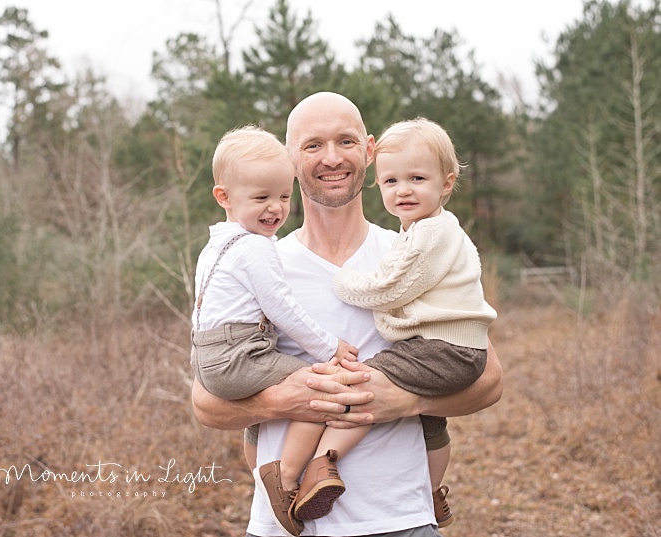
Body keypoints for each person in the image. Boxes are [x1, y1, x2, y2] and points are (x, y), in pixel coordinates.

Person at [191, 92, 504, 537]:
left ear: (370, 150)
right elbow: (205, 402)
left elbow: (489, 378)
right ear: (291, 158)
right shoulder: (256, 261)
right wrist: (292, 398)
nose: (332, 158)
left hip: (400, 520)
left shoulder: (411, 253)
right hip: (283, 527)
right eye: (313, 145)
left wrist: (409, 401)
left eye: (347, 141)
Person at [191, 125, 374, 537]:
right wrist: (330, 350)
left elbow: (203, 308)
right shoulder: (257, 247)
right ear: (224, 197)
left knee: (267, 395)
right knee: (322, 386)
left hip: (208, 353)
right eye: (261, 198)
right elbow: (283, 310)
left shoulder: (216, 245)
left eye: (284, 196)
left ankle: (259, 466)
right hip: (240, 352)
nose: (275, 208)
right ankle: (287, 478)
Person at [332, 117, 498, 527]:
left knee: (361, 381)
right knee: (431, 424)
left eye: (417, 178)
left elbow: (390, 288)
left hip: (446, 347)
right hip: (446, 345)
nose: (402, 189)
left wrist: (343, 281)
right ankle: (433, 493)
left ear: (446, 183)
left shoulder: (431, 232)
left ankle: (322, 464)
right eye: (390, 181)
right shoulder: (415, 232)